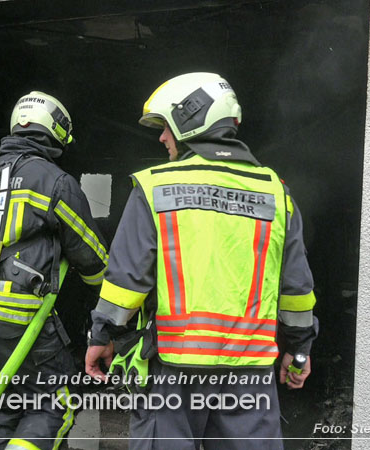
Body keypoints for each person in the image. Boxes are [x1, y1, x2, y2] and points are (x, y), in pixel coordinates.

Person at [84, 72, 319, 450]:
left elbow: (126, 283)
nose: (162, 138)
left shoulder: (154, 187)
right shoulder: (276, 192)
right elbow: (296, 290)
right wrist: (300, 347)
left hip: (173, 368)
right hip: (250, 371)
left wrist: (101, 335)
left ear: (189, 119)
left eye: (165, 127)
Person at [0, 91, 108, 450]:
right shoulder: (54, 181)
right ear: (56, 131)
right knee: (56, 402)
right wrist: (103, 302)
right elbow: (93, 256)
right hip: (17, 322)